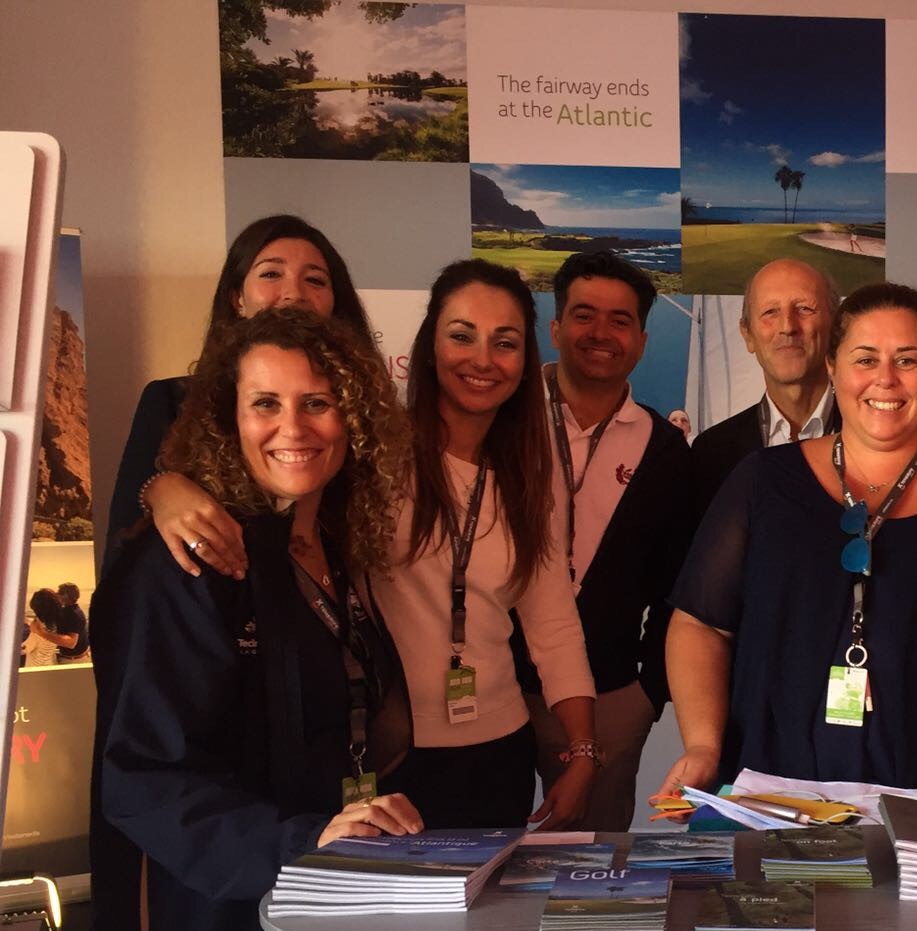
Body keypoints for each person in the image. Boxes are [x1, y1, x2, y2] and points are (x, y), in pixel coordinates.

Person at [90, 307, 421, 931]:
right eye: (264, 403)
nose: (292, 427)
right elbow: (143, 776)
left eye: (318, 403)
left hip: (294, 910)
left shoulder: (324, 547)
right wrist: (307, 842)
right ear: (224, 417)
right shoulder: (189, 558)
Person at [147, 259, 600, 833]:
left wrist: (582, 751)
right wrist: (161, 486)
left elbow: (553, 623)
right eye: (461, 336)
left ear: (525, 360)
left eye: (504, 343)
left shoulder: (532, 479)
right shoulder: (368, 456)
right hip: (383, 754)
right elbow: (259, 483)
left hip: (498, 751)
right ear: (430, 345)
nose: (482, 359)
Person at [661, 282, 917, 812]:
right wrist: (702, 744)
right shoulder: (762, 482)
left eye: (908, 359)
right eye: (865, 358)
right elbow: (700, 623)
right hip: (777, 798)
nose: (886, 378)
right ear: (833, 368)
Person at [527, 251, 692, 833]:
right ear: (554, 327)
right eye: (583, 315)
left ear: (642, 340)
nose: (600, 333)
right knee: (476, 846)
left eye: (619, 320)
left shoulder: (666, 452)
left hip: (608, 695)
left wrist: (646, 692)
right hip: (489, 689)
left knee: (589, 865)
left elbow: (679, 588)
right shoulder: (501, 421)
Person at [107, 214, 372, 557]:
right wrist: (161, 489)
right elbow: (123, 537)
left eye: (316, 280)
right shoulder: (172, 401)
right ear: (237, 298)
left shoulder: (363, 411)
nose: (294, 294)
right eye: (271, 274)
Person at [690, 258, 840, 519]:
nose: (787, 327)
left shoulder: (876, 440)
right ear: (748, 335)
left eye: (804, 308)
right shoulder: (711, 454)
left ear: (835, 328)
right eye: (770, 312)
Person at [20, 589, 65, 666]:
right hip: (49, 665)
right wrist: (26, 620)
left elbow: (23, 650)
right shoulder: (55, 625)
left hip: (35, 670)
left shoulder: (37, 632)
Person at [53, 581, 89, 661]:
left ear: (66, 596)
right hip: (74, 658)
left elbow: (71, 643)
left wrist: (42, 633)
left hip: (73, 660)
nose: (57, 594)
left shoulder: (73, 614)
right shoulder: (70, 611)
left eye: (60, 592)